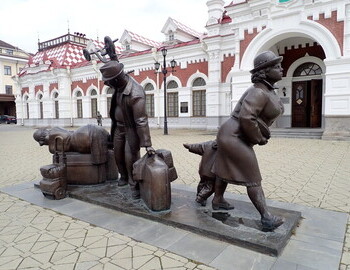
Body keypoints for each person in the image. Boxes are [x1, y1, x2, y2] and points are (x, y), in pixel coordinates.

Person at [212, 51, 285, 231]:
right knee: (253, 178)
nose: (281, 69)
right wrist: (258, 138)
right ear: (264, 71)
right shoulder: (259, 92)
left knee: (224, 167)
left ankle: (217, 199)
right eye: (276, 66)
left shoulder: (266, 90)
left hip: (233, 133)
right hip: (233, 136)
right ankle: (266, 218)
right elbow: (247, 118)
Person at [99, 60, 155, 199]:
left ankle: (134, 184)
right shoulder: (118, 86)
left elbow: (141, 120)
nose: (107, 84)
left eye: (109, 81)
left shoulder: (136, 92)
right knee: (118, 155)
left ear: (117, 79)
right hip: (118, 128)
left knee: (130, 158)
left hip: (131, 130)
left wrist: (147, 144)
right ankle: (123, 177)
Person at [33, 125, 109, 165]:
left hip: (80, 141)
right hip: (86, 129)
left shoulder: (52, 147)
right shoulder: (56, 128)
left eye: (40, 141)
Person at [183, 140, 218, 207]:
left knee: (202, 182)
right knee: (211, 186)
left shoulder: (208, 144)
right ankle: (201, 198)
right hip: (213, 172)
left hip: (203, 169)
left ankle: (199, 194)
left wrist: (189, 146)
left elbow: (198, 147)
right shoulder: (224, 147)